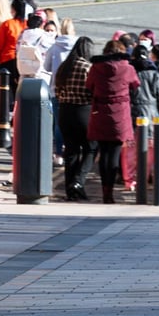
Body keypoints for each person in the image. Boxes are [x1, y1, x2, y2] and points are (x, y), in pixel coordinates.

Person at [86, 40, 140, 204]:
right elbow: (136, 86)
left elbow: (89, 86)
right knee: (115, 153)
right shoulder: (128, 68)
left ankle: (105, 191)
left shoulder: (96, 67)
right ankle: (110, 192)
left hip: (100, 112)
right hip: (120, 114)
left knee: (103, 153)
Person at [54, 36, 95, 201]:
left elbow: (57, 90)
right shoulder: (88, 67)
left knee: (71, 151)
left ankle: (71, 190)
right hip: (83, 110)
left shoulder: (65, 67)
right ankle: (78, 181)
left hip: (65, 111)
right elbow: (92, 91)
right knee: (90, 148)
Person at [122, 44, 159, 191]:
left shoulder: (129, 71)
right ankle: (144, 178)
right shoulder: (154, 73)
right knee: (150, 149)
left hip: (132, 113)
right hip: (151, 114)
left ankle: (130, 180)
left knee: (130, 149)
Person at [44, 17, 77, 166]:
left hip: (56, 89)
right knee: (74, 122)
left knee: (58, 123)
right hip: (75, 89)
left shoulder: (54, 46)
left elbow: (46, 67)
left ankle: (58, 153)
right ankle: (73, 150)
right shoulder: (78, 45)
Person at [0, 0, 27, 107]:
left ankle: (1, 114)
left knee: (3, 89)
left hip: (7, 59)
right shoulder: (26, 24)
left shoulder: (7, 24)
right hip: (22, 60)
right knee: (18, 89)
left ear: (13, 9)